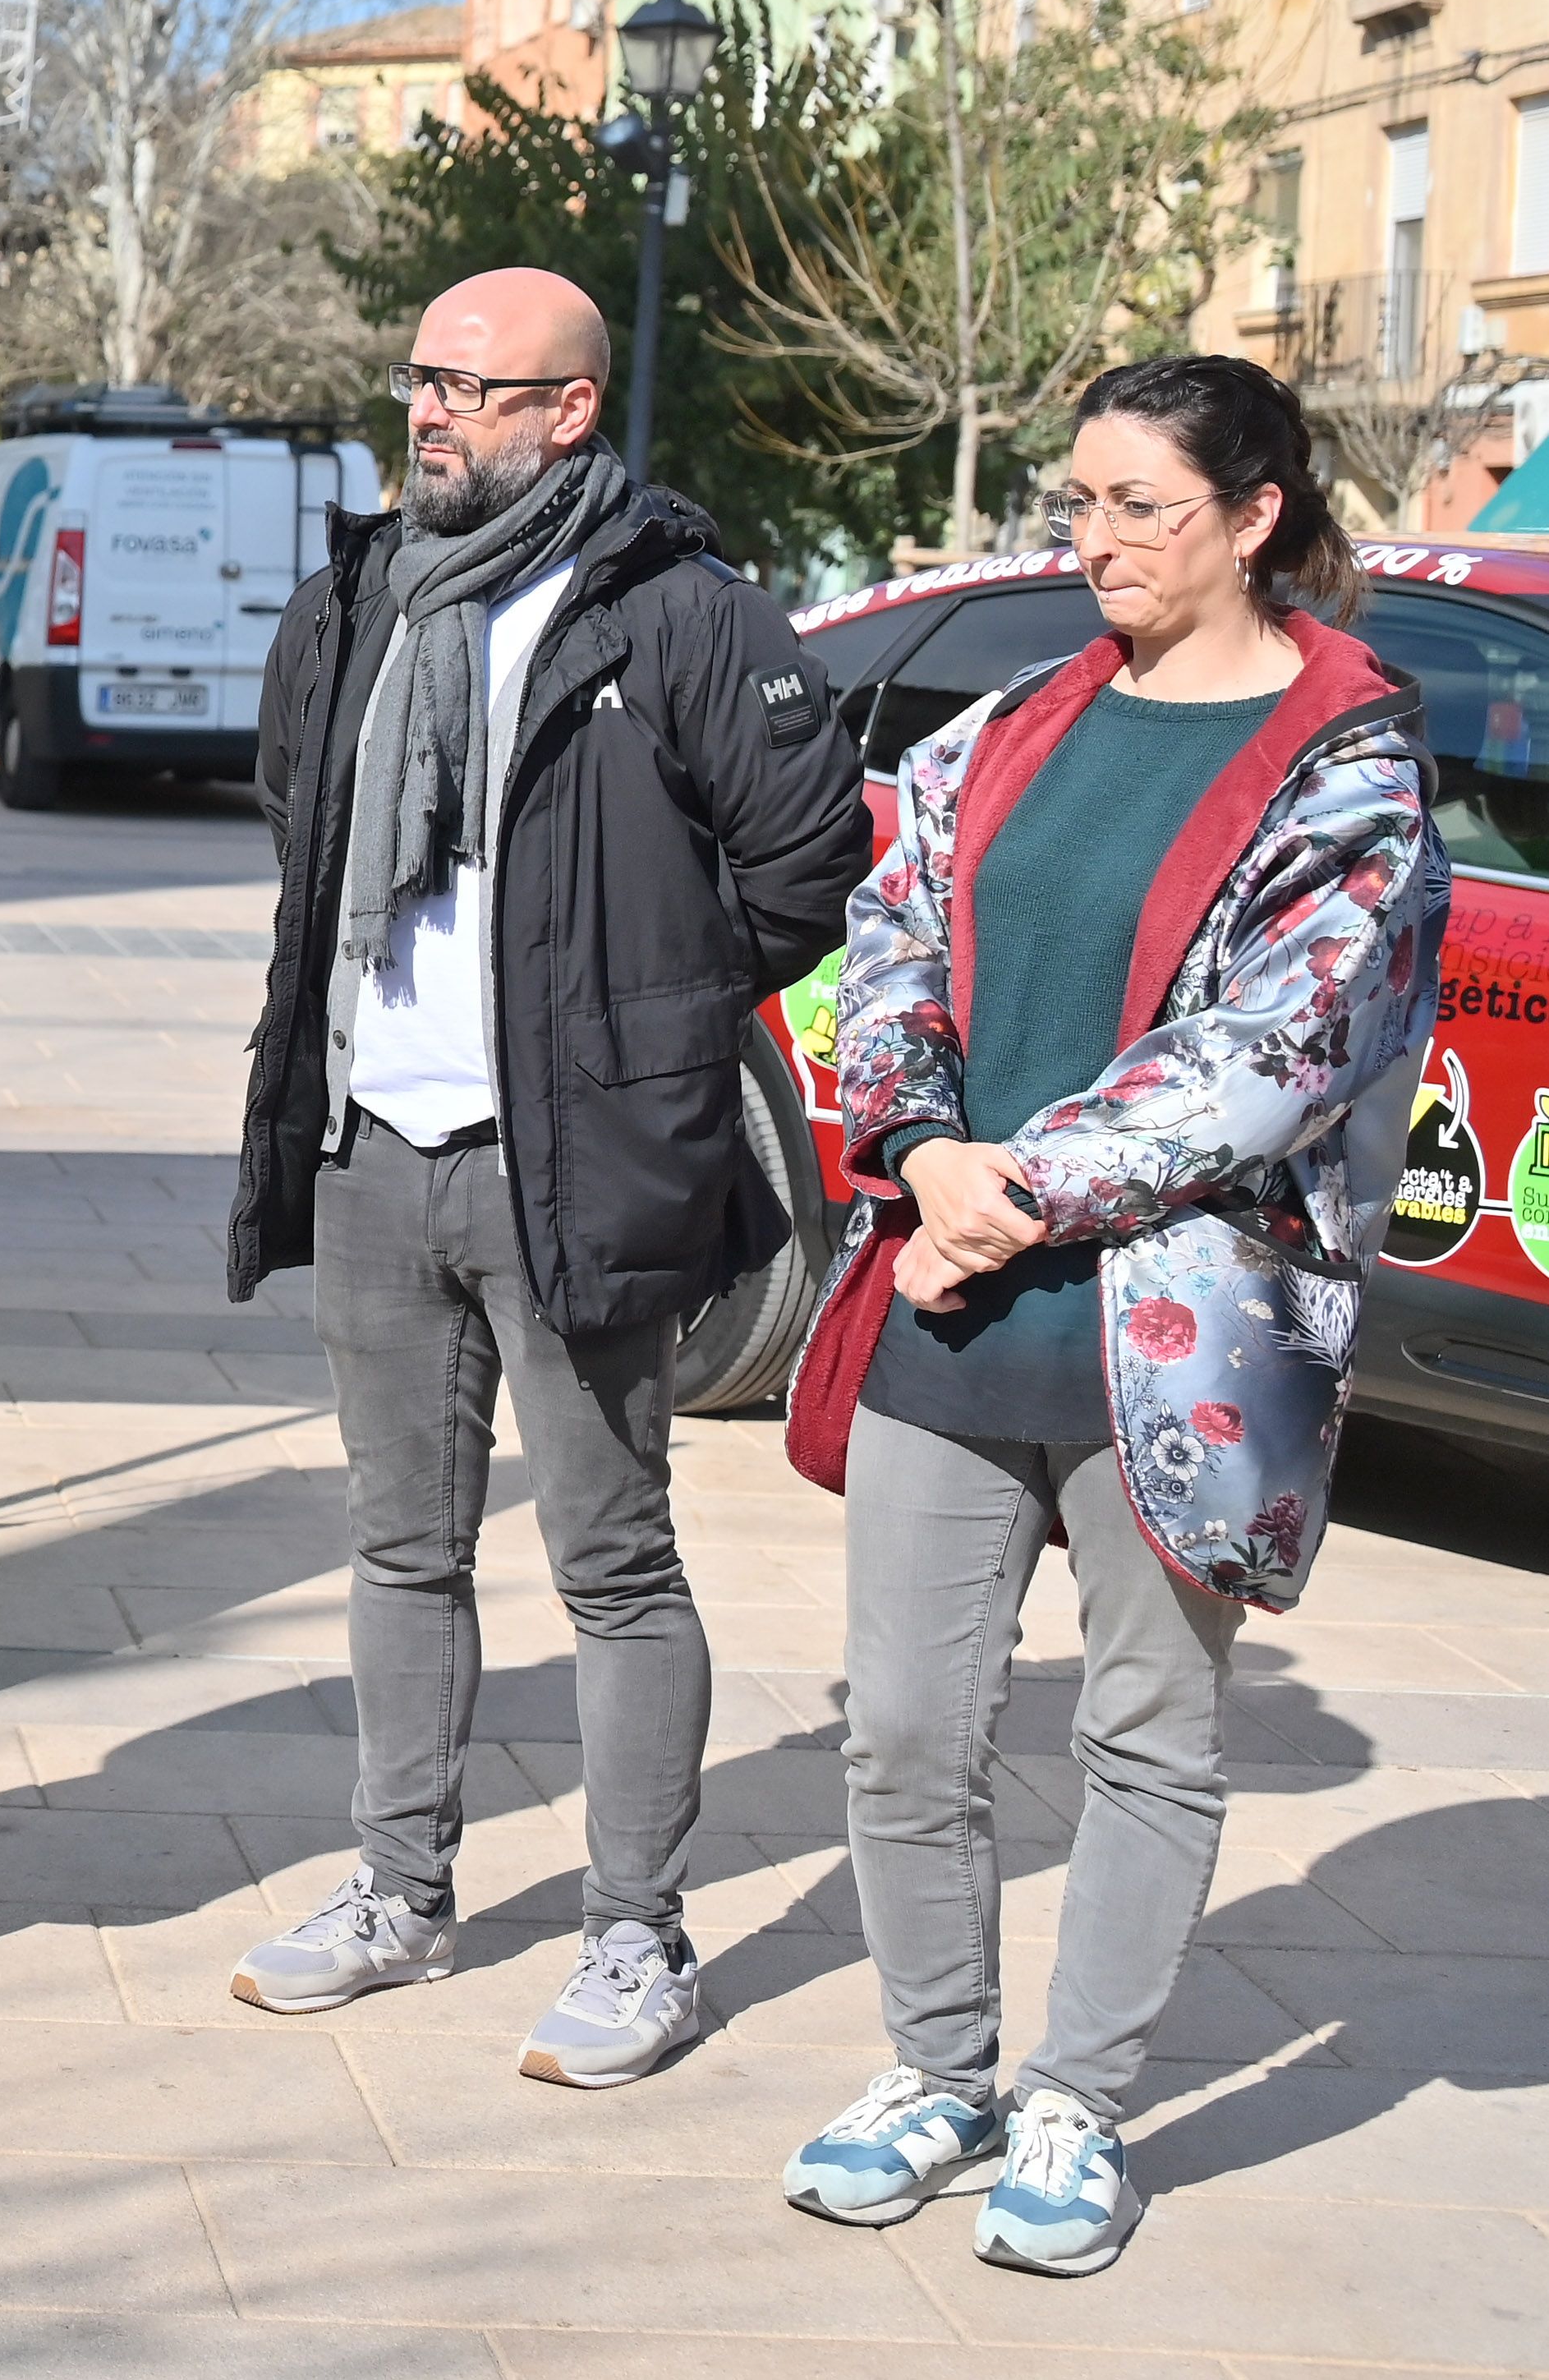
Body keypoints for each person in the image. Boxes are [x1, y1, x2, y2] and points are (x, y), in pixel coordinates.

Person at [786, 355, 1442, 2276]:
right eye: (1074, 503)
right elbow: (888, 931)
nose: (1091, 544)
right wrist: (913, 1148)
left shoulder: (1351, 761)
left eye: (1136, 507)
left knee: (1144, 1734)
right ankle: (935, 2071)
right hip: (944, 1291)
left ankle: (1075, 2108)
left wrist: (1011, 1191)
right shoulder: (1011, 721)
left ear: (1251, 516)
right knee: (901, 1730)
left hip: (1181, 1325)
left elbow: (1278, 1049)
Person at [223, 267, 867, 2082]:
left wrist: (635, 1028)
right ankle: (391, 1889)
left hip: (569, 1163)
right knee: (397, 1545)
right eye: (416, 381)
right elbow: (299, 813)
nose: (427, 413)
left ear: (567, 411)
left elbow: (805, 859)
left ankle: (633, 1936)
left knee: (610, 1558)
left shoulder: (673, 610)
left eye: (471, 388)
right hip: (376, 1143)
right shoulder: (356, 595)